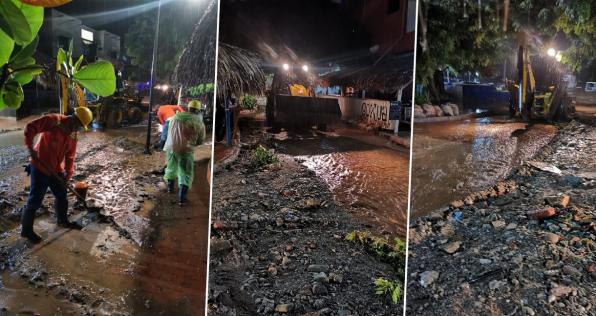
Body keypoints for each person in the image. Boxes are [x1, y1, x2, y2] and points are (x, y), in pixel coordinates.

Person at [21, 107, 94, 243]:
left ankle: (62, 220)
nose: (77, 129)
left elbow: (70, 156)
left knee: (62, 195)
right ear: (74, 117)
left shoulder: (73, 135)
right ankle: (26, 230)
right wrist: (30, 148)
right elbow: (30, 127)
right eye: (77, 125)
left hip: (56, 170)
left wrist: (68, 173)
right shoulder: (54, 120)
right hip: (40, 168)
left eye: (79, 127)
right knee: (35, 200)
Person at [163, 100, 206, 205]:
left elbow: (166, 132)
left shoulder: (176, 117)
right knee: (186, 172)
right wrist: (192, 143)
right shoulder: (199, 122)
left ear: (188, 108)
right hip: (186, 150)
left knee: (171, 167)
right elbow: (201, 140)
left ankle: (170, 189)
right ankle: (182, 198)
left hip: (171, 147)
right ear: (198, 110)